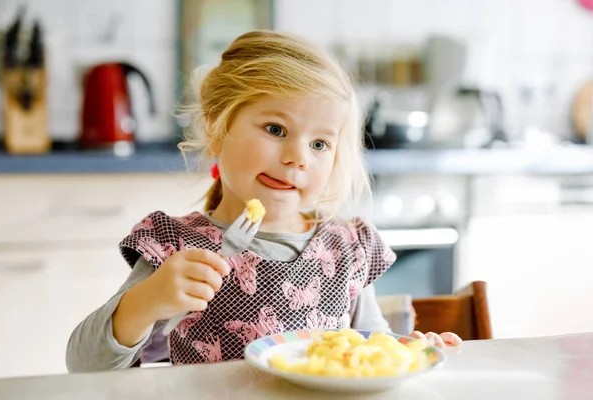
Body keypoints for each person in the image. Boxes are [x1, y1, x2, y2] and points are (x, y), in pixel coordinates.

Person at [66, 30, 461, 372]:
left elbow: (374, 350)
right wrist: (148, 301)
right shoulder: (175, 248)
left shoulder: (347, 249)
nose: (298, 157)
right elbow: (85, 365)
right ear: (217, 128)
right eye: (276, 129)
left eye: (319, 143)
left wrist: (412, 352)